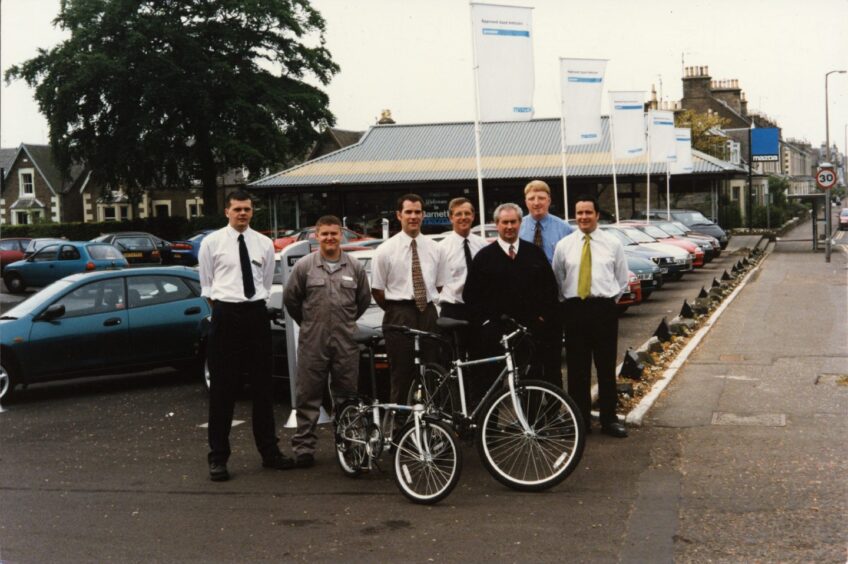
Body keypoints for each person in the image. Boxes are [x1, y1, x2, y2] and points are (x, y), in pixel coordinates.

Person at [198, 190, 293, 482]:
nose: (243, 214)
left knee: (263, 389)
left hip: (255, 316)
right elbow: (208, 286)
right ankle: (218, 458)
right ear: (227, 211)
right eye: (237, 209)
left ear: (252, 212)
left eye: (247, 209)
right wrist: (228, 310)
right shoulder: (211, 243)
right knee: (223, 390)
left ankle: (269, 452)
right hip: (226, 315)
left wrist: (251, 307)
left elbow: (264, 283)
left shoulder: (263, 244)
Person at [283, 215, 371, 468]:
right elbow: (291, 301)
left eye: (334, 233)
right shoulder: (305, 266)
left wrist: (346, 322)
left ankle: (348, 443)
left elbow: (362, 300)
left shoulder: (354, 267)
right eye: (325, 234)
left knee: (347, 395)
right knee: (308, 394)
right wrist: (310, 324)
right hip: (314, 339)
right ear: (317, 236)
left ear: (341, 235)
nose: (330, 238)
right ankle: (304, 448)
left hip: (345, 340)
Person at [463, 203, 561, 401]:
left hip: (530, 331)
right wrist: (488, 323)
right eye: (504, 222)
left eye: (513, 222)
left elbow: (550, 290)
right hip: (495, 333)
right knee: (491, 382)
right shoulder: (484, 257)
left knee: (531, 382)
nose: (509, 226)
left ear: (520, 223)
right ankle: (491, 429)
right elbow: (470, 296)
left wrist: (541, 318)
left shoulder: (534, 253)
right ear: (496, 224)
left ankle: (530, 425)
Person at [552, 194, 629, 438]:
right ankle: (580, 421)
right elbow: (558, 278)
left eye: (588, 212)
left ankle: (609, 419)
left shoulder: (612, 244)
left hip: (603, 310)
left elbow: (622, 279)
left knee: (606, 368)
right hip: (574, 310)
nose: (583, 217)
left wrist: (606, 303)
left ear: (597, 215)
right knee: (577, 370)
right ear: (575, 216)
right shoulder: (564, 245)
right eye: (579, 213)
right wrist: (570, 305)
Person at [371, 194, 443, 404]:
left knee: (432, 369)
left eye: (417, 212)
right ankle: (400, 424)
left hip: (427, 312)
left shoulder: (435, 248)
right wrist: (398, 309)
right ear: (399, 215)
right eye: (408, 212)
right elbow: (377, 289)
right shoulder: (385, 250)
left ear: (423, 215)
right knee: (401, 372)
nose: (413, 216)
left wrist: (422, 304)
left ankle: (432, 423)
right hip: (398, 312)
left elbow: (438, 284)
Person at [437, 197, 487, 324]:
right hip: (453, 311)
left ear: (473, 216)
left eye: (467, 213)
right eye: (458, 214)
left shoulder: (483, 245)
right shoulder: (440, 249)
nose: (463, 217)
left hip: (481, 309)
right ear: (450, 218)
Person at [518, 179, 573, 264]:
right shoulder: (517, 228)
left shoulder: (565, 229)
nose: (536, 203)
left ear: (549, 201)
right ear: (526, 202)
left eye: (541, 198)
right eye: (531, 199)